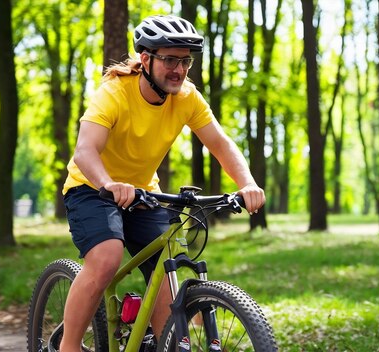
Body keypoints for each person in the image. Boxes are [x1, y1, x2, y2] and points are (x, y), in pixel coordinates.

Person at [59, 14, 265, 352]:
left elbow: (221, 144)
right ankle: (68, 346)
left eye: (185, 61)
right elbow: (84, 151)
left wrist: (248, 184)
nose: (179, 70)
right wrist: (109, 184)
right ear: (145, 59)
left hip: (143, 192)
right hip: (91, 187)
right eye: (170, 59)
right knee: (107, 258)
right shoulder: (114, 93)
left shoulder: (187, 97)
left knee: (165, 276)